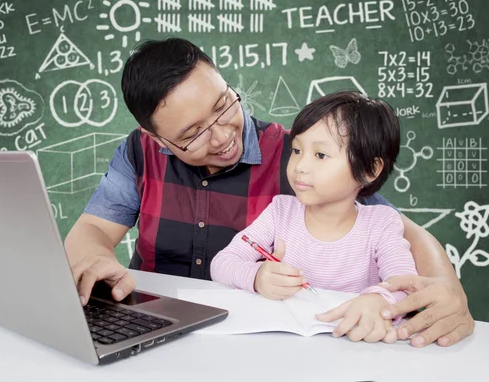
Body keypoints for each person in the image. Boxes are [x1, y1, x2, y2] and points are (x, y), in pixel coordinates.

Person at [64, 37, 474, 348]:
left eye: (225, 105)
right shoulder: (137, 153)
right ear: (155, 138)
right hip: (153, 331)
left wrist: (445, 288)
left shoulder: (300, 158)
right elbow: (91, 233)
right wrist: (96, 261)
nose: (224, 135)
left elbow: (402, 231)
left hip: (261, 345)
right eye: (193, 135)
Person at [210, 91, 417, 343]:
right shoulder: (280, 211)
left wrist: (377, 300)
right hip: (287, 345)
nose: (300, 166)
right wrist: (256, 277)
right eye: (296, 150)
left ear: (369, 170)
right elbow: (222, 263)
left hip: (355, 348)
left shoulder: (381, 224)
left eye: (320, 155)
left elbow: (406, 286)